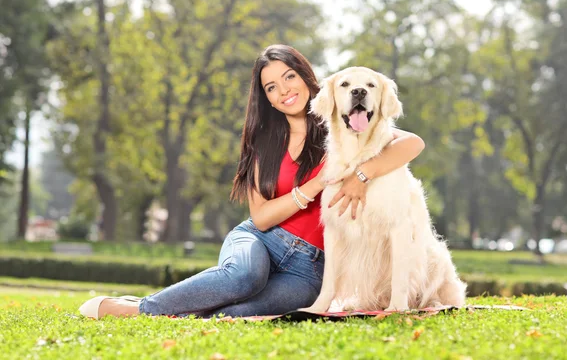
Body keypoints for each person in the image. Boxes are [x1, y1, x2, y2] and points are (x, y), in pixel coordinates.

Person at [79, 44, 425, 319]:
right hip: (262, 240)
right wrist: (317, 184)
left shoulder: (345, 123)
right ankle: (138, 309)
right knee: (244, 278)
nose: (283, 91)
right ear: (266, 97)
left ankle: (168, 311)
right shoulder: (264, 141)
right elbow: (261, 217)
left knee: (234, 314)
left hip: (312, 268)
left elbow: (413, 144)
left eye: (289, 77)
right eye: (271, 87)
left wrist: (362, 175)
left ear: (306, 77)